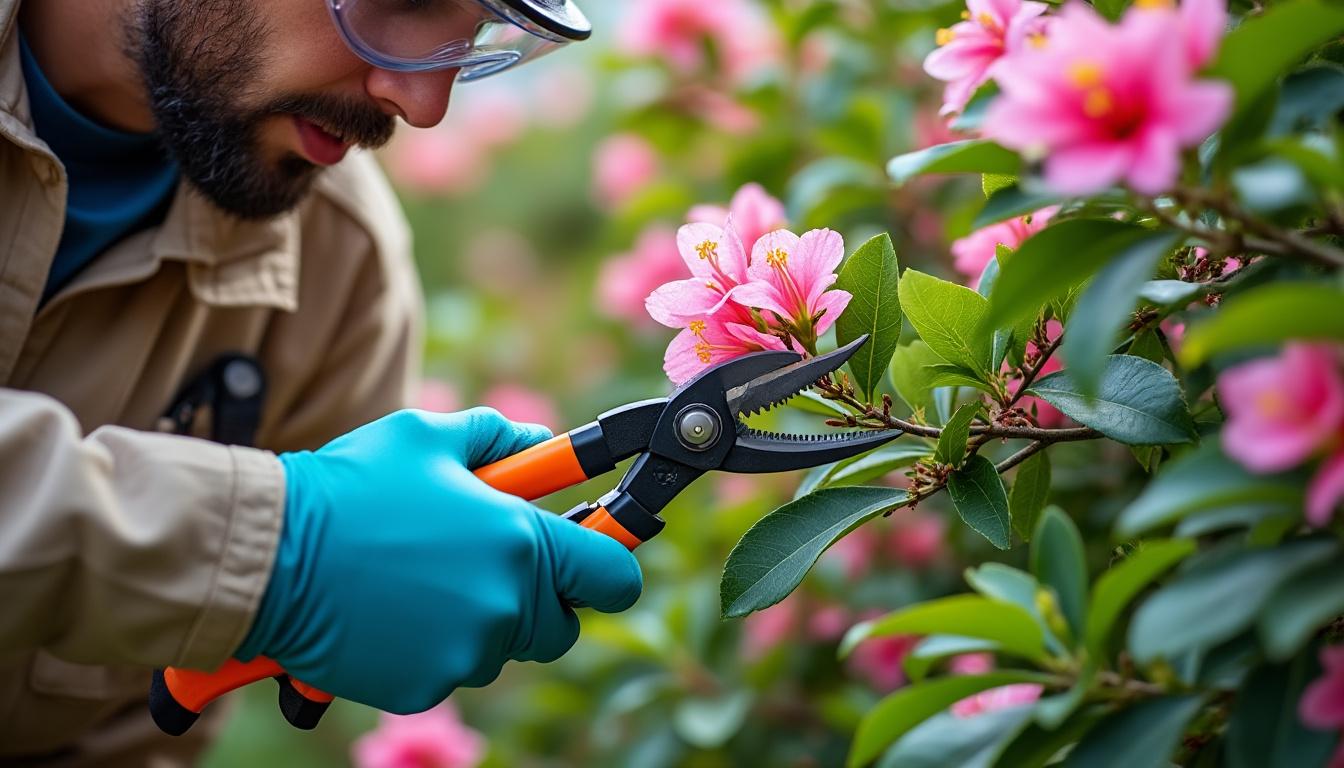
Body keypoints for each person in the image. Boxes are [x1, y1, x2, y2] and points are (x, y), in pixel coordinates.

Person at [0, 0, 643, 765]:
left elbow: (128, 738)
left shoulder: (339, 269)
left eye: (472, 34)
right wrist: (269, 551)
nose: (424, 104)